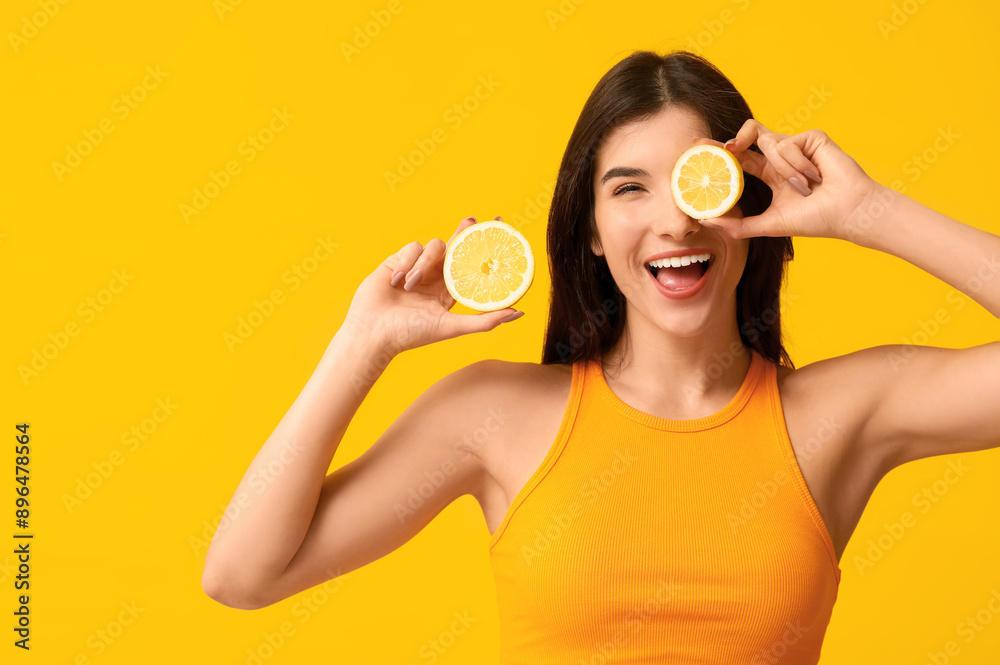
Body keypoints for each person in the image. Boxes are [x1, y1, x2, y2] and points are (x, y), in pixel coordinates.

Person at [201, 50, 1000, 663]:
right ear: (587, 229)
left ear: (749, 206)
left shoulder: (842, 414)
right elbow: (242, 574)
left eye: (700, 184)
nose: (675, 224)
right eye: (629, 189)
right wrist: (362, 343)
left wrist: (867, 210)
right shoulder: (491, 414)